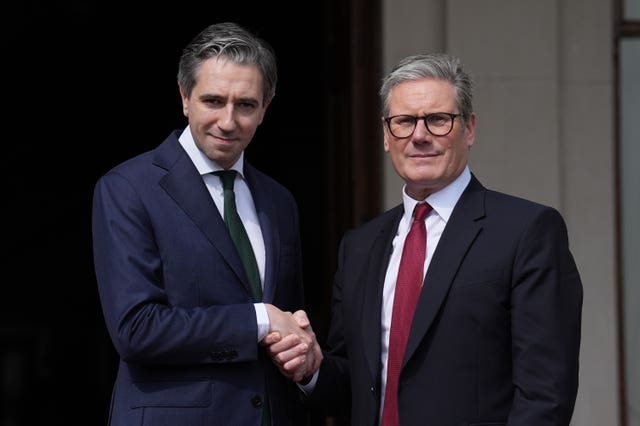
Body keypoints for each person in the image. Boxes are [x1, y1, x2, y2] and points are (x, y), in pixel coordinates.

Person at [268, 53, 583, 425]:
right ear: (386, 136)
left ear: (469, 129)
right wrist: (311, 369)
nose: (419, 136)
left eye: (438, 120)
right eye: (403, 122)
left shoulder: (527, 231)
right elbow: (353, 384)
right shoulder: (359, 247)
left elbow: (545, 394)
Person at [92, 22, 321, 426]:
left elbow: (289, 321)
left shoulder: (279, 201)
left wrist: (303, 354)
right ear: (184, 98)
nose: (228, 121)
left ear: (266, 106)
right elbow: (136, 329)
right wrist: (260, 318)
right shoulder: (128, 188)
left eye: (246, 104)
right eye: (213, 101)